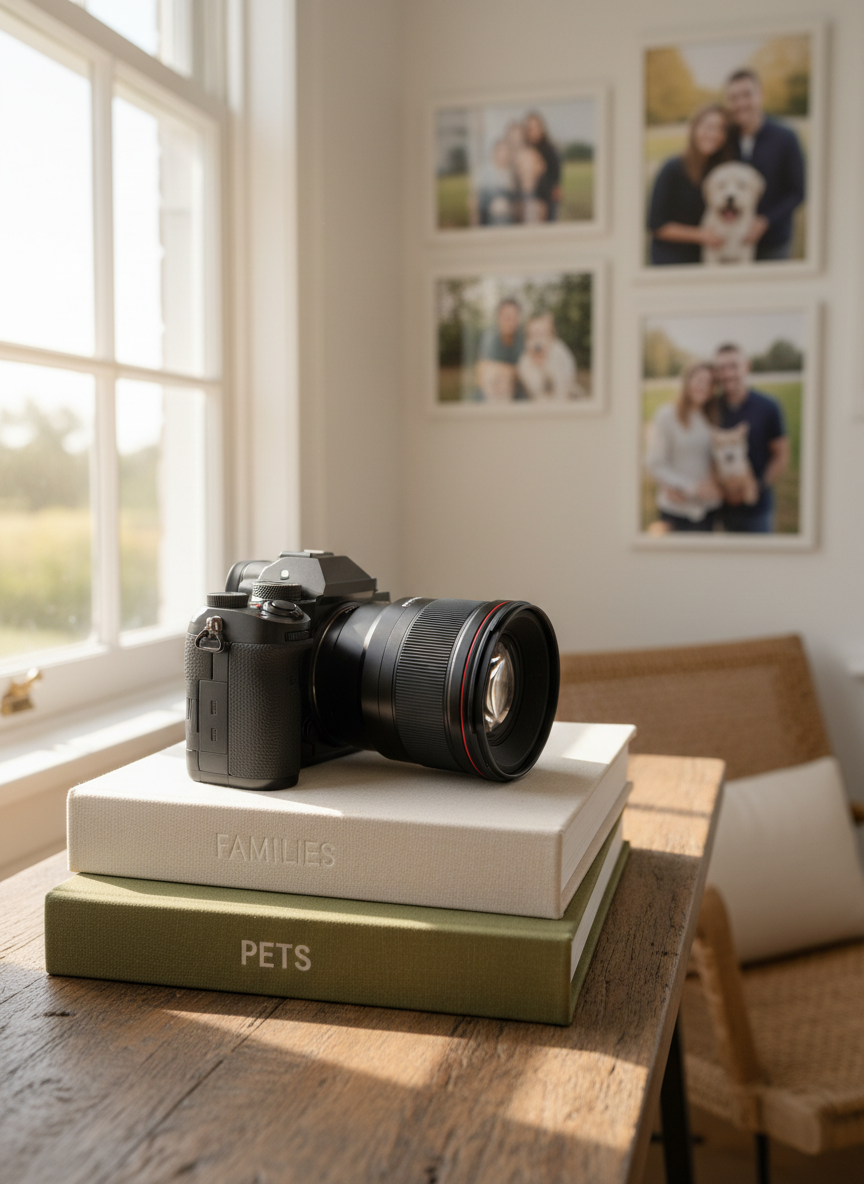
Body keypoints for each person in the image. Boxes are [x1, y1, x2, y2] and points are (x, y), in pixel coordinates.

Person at [724, 68, 805, 261]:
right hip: (732, 244)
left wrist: (765, 221)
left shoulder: (786, 137)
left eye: (747, 95)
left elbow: (798, 192)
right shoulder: (725, 139)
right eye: (734, 98)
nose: (740, 103)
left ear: (760, 96)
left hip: (774, 244)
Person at [712, 343, 789, 532]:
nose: (728, 373)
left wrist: (757, 486)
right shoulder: (711, 408)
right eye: (722, 368)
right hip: (719, 507)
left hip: (757, 509)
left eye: (733, 366)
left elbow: (781, 455)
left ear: (747, 367)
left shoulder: (768, 406)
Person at [648, 104, 735, 265]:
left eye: (721, 129)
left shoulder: (722, 173)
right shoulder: (672, 168)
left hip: (708, 258)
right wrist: (701, 235)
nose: (715, 134)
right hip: (672, 259)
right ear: (695, 129)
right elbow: (656, 225)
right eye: (709, 127)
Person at [645, 362, 723, 531]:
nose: (704, 387)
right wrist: (690, 487)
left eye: (710, 383)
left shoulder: (713, 417)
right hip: (675, 508)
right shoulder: (666, 415)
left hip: (708, 509)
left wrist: (716, 483)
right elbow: (654, 464)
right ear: (687, 382)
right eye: (699, 380)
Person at [474, 297, 525, 402]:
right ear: (498, 318)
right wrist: (513, 371)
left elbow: (527, 372)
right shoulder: (490, 338)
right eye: (506, 316)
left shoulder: (522, 339)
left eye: (514, 316)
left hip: (516, 393)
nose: (510, 320)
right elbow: (482, 371)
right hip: (492, 393)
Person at [524, 111, 561, 222]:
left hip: (546, 196)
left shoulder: (550, 150)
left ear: (542, 128)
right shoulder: (524, 149)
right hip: (527, 196)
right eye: (530, 128)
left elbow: (556, 179)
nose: (533, 131)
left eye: (536, 127)